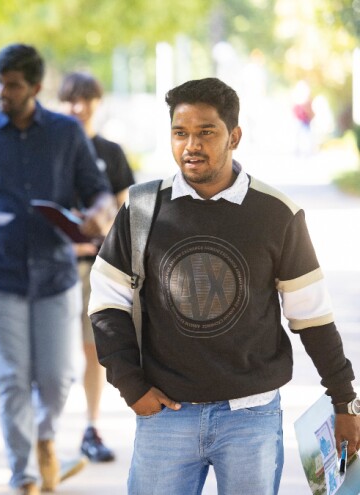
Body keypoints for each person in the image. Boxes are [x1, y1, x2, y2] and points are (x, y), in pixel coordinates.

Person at [89, 77, 360, 494]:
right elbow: (107, 303)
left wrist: (345, 402)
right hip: (165, 415)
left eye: (206, 132)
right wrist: (131, 385)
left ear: (234, 136)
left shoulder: (277, 214)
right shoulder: (142, 207)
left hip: (250, 417)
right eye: (180, 133)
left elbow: (311, 316)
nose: (190, 145)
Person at [0, 44, 113, 495]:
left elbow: (98, 192)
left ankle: (45, 436)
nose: (3, 91)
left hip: (56, 273)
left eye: (14, 85)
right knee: (11, 378)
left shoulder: (65, 133)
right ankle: (23, 476)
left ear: (36, 87)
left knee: (58, 376)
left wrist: (98, 213)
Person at [57, 71, 135, 463]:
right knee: (52, 357)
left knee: (93, 351)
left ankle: (91, 426)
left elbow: (125, 212)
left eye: (87, 99)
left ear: (97, 103)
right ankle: (47, 436)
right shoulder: (51, 150)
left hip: (97, 269)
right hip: (54, 269)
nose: (79, 107)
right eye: (71, 99)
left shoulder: (111, 152)